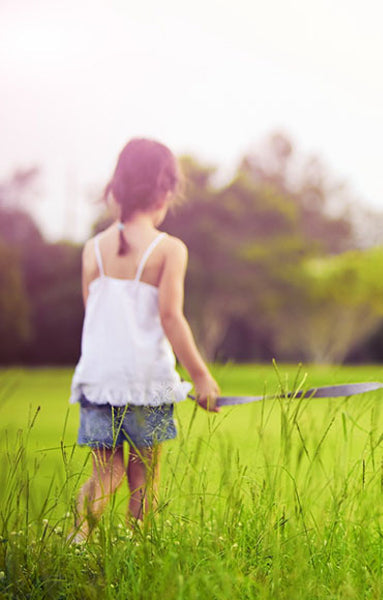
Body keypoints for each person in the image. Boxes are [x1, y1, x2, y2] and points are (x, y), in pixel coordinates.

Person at [69, 138, 220, 542]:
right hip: (146, 384)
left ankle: (76, 540)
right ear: (165, 192)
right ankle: (140, 551)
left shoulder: (92, 250)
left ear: (116, 189)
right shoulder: (169, 249)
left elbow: (93, 316)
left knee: (107, 473)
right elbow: (171, 317)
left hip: (99, 381)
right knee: (144, 480)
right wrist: (201, 377)